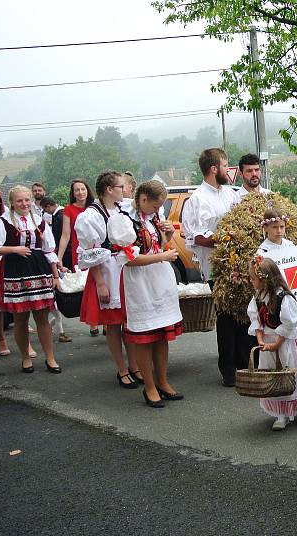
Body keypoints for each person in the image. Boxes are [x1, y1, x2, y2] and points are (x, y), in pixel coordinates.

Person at [182, 148, 243, 386]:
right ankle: (228, 369)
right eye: (225, 166)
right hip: (217, 265)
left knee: (243, 313)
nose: (228, 171)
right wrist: (225, 239)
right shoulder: (198, 198)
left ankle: (245, 362)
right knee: (226, 316)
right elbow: (195, 236)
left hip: (239, 261)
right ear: (213, 169)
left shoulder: (230, 194)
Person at [120, 180, 184, 408]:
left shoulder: (153, 218)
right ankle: (149, 387)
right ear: (144, 198)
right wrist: (163, 257)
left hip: (160, 281)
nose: (159, 210)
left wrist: (166, 236)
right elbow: (131, 259)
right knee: (145, 338)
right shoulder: (123, 220)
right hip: (141, 284)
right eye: (156, 206)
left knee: (162, 336)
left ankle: (162, 381)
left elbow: (159, 246)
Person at [76, 170, 139, 388]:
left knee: (129, 322)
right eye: (121, 187)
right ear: (109, 190)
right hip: (106, 273)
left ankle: (134, 365)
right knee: (113, 324)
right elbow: (88, 253)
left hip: (125, 269)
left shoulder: (123, 208)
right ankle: (121, 369)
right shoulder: (91, 216)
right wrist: (100, 283)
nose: (125, 190)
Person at [248, 257, 297, 430]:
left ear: (264, 279)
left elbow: (289, 323)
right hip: (267, 343)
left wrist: (276, 343)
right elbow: (256, 321)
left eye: (253, 278)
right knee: (273, 377)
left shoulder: (283, 297)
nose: (251, 282)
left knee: (291, 375)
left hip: (285, 342)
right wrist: (261, 340)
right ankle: (281, 414)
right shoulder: (258, 298)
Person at [0, 186, 62, 374]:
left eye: (26, 200)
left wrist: (55, 275)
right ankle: (25, 358)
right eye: (19, 201)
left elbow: (49, 250)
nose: (24, 204)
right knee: (21, 318)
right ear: (12, 203)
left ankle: (50, 357)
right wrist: (14, 249)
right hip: (15, 270)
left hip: (38, 269)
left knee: (42, 317)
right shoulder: (2, 222)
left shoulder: (39, 221)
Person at [38, 197, 71, 344]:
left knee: (54, 306)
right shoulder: (59, 215)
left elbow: (55, 245)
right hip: (46, 269)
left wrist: (59, 264)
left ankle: (57, 330)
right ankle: (59, 331)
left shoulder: (58, 216)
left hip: (52, 266)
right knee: (52, 307)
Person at [57, 178, 95, 273]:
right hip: (79, 250)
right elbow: (65, 235)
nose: (80, 192)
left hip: (96, 248)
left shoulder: (95, 207)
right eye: (77, 190)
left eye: (83, 189)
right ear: (73, 193)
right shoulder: (68, 209)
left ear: (87, 190)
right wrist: (59, 258)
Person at [0, 190, 11, 356]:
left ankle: (3, 338)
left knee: (2, 304)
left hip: (3, 265)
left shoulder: (5, 221)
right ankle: (0, 338)